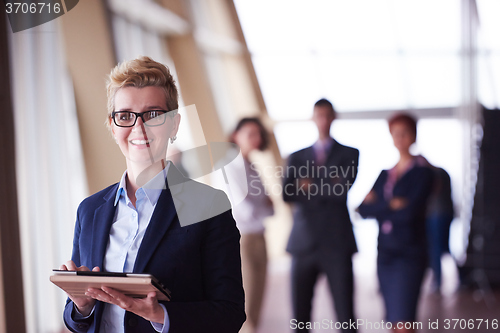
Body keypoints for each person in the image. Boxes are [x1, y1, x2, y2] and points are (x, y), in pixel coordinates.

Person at [59, 56, 245, 333]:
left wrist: (161, 315)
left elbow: (230, 314)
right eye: (125, 116)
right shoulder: (90, 209)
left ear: (174, 125)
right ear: (112, 126)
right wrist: (81, 306)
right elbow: (79, 322)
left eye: (153, 114)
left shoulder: (209, 206)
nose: (138, 127)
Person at [283, 99, 359, 332]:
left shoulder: (350, 153)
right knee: (300, 318)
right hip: (303, 243)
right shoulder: (296, 157)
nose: (324, 120)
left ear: (334, 117)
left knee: (346, 316)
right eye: (320, 115)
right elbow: (287, 194)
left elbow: (341, 190)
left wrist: (308, 185)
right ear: (313, 118)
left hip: (337, 243)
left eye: (328, 115)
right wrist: (328, 182)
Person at [357, 113, 433, 333]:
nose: (400, 138)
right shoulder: (384, 175)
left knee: (404, 321)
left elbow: (409, 214)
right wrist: (391, 205)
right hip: (385, 253)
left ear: (414, 136)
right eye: (395, 134)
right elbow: (362, 209)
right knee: (393, 320)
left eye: (405, 133)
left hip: (409, 253)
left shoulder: (423, 173)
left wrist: (379, 204)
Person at [230, 118, 274, 333]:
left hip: (259, 236)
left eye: (257, 134)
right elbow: (244, 208)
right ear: (235, 135)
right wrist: (263, 204)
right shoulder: (229, 165)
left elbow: (271, 207)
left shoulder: (252, 167)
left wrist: (263, 204)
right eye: (250, 133)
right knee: (246, 303)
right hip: (243, 239)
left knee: (257, 301)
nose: (255, 139)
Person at [425, 166, 454, 293]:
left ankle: (437, 280)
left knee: (436, 248)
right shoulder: (442, 172)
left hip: (437, 214)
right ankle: (462, 277)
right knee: (444, 248)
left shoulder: (436, 174)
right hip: (444, 213)